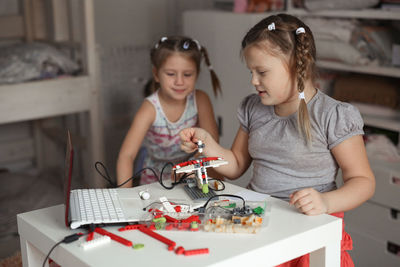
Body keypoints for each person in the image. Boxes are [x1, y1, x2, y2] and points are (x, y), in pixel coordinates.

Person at [179, 14, 375, 266]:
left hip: (308, 231)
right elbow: (237, 163)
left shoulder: (333, 115)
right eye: (251, 71)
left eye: (261, 72)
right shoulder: (254, 108)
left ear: (296, 64)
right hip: (261, 223)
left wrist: (326, 201)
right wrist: (206, 143)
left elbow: (363, 181)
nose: (253, 81)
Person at [117, 36, 221, 187]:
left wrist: (190, 168)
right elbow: (126, 156)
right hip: (156, 180)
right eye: (171, 74)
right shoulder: (150, 108)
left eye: (187, 74)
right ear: (156, 74)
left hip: (192, 175)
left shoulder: (201, 100)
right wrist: (124, 198)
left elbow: (211, 143)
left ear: (197, 74)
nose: (179, 81)